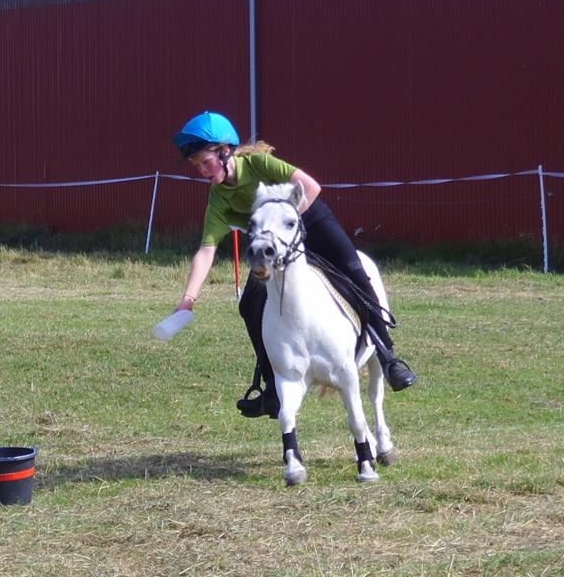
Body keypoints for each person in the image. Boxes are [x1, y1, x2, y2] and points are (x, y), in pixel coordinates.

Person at [171, 111, 415, 419]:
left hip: (312, 220)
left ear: (225, 151)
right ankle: (272, 385)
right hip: (274, 250)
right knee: (250, 304)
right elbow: (206, 251)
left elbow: (311, 187)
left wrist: (288, 228)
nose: (202, 171)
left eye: (205, 162)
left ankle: (388, 357)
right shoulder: (218, 200)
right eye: (197, 166)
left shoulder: (260, 165)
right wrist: (188, 299)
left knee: (357, 275)